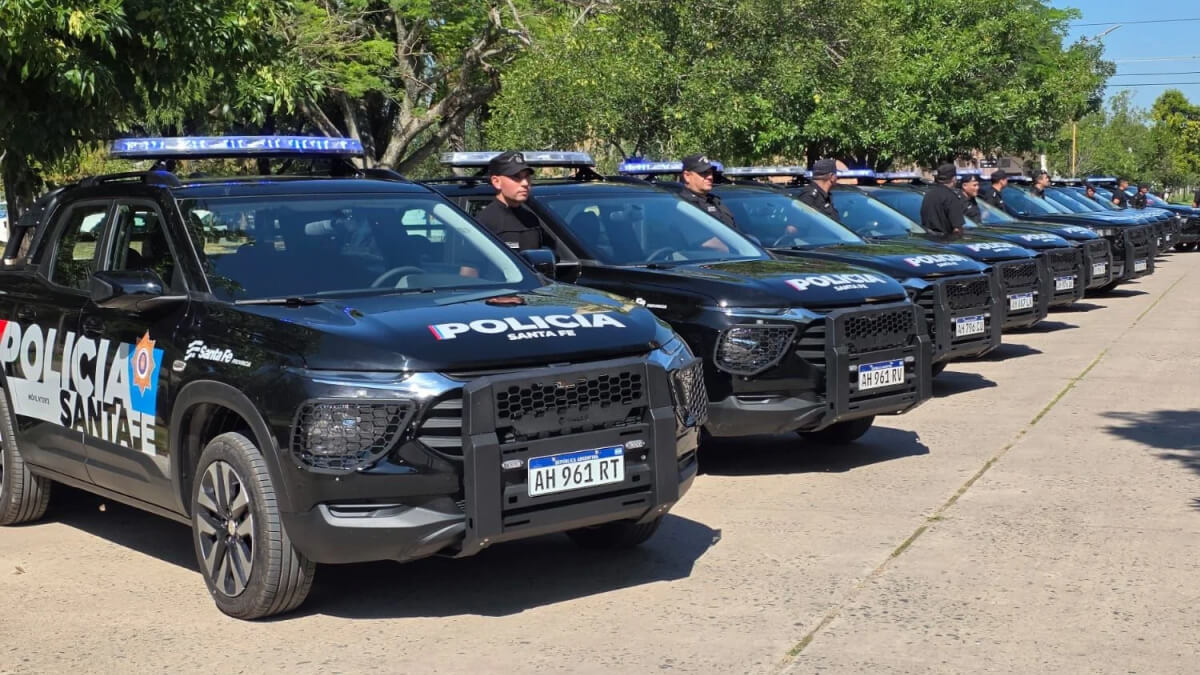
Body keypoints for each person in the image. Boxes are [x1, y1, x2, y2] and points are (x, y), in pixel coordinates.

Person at [475, 150, 546, 251]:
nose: (525, 183)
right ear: (496, 182)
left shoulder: (532, 219)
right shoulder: (483, 223)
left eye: (527, 176)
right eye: (516, 177)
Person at [919, 163, 966, 238]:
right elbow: (957, 228)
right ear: (954, 179)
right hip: (945, 241)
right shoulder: (951, 197)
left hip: (928, 240)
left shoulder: (928, 195)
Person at [797, 158, 841, 223]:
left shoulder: (825, 197)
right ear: (832, 177)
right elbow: (793, 227)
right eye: (836, 174)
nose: (837, 178)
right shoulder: (809, 197)